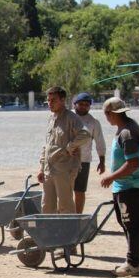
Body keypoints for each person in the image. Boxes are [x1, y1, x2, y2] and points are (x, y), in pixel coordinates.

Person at [100, 97, 139, 277]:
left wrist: (111, 177)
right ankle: (136, 259)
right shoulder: (125, 128)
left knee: (132, 224)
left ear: (111, 114)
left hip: (131, 185)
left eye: (107, 114)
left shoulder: (127, 133)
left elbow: (132, 163)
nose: (107, 118)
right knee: (127, 222)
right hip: (124, 185)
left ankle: (133, 262)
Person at [37, 86, 90, 214]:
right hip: (49, 169)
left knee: (65, 205)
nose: (50, 103)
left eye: (53, 100)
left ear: (62, 100)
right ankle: (49, 233)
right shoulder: (51, 119)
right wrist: (41, 167)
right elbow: (47, 145)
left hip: (65, 168)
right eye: (48, 100)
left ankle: (69, 233)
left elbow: (85, 134)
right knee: (47, 206)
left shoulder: (71, 118)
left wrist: (70, 147)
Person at [71, 93, 106, 213]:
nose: (83, 107)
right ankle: (64, 216)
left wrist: (102, 161)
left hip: (83, 161)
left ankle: (77, 216)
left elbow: (100, 142)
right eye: (81, 104)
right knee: (64, 190)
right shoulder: (67, 117)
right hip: (65, 160)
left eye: (87, 105)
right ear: (74, 104)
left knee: (79, 191)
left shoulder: (93, 122)